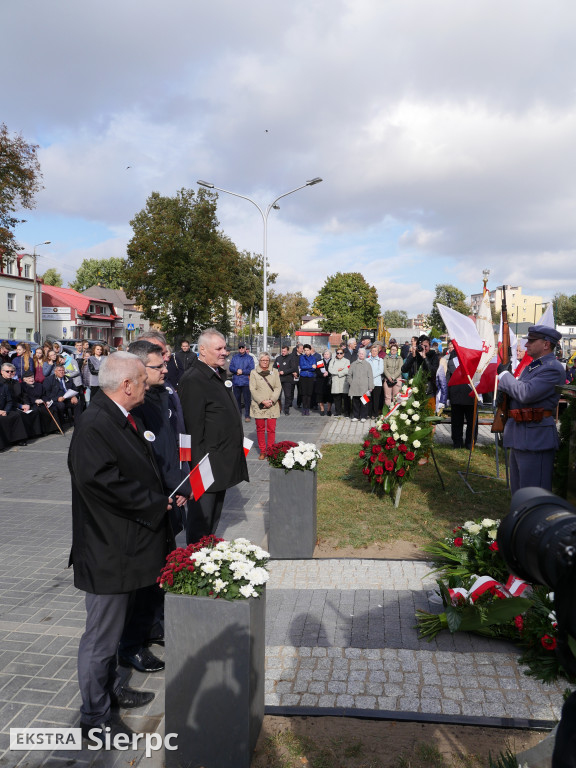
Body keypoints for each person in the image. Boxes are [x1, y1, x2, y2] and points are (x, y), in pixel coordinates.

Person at [68, 352, 174, 740]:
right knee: (99, 640)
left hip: (125, 546)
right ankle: (94, 717)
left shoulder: (117, 415)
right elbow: (101, 482)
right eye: (143, 383)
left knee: (110, 636)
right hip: (107, 551)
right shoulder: (95, 422)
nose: (147, 388)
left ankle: (111, 691)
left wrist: (163, 493)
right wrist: (153, 502)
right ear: (127, 385)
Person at [179, 328, 249, 543]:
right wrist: (195, 473)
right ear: (202, 350)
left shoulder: (215, 373)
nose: (224, 352)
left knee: (212, 521)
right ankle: (195, 563)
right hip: (204, 465)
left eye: (225, 348)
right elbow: (191, 429)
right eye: (218, 348)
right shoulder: (194, 379)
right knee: (201, 521)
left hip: (219, 462)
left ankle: (207, 556)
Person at [497, 324, 565, 494]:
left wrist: (505, 376)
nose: (526, 345)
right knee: (519, 494)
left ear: (546, 344)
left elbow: (526, 393)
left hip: (536, 439)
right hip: (520, 435)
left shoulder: (553, 368)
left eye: (532, 341)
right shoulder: (532, 367)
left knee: (534, 496)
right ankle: (520, 521)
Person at [249, 352, 281, 459]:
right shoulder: (254, 373)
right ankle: (263, 451)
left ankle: (270, 451)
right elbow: (252, 389)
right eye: (263, 360)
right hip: (259, 405)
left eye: (267, 360)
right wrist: (262, 401)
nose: (265, 362)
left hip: (272, 404)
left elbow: (278, 387)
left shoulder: (274, 371)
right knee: (260, 429)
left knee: (271, 429)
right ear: (259, 361)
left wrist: (271, 400)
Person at [447, 350, 477, 449]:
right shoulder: (452, 362)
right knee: (460, 422)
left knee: (466, 422)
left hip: (465, 395)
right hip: (462, 395)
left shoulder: (454, 362)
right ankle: (463, 443)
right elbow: (448, 379)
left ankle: (464, 442)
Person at [229, 342, 255, 422]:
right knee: (237, 400)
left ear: (245, 348)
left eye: (242, 347)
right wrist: (236, 370)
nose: (241, 349)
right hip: (236, 382)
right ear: (238, 349)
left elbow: (252, 369)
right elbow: (231, 367)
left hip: (246, 382)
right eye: (240, 348)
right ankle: (238, 415)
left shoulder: (250, 358)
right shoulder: (235, 357)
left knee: (247, 400)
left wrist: (242, 371)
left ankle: (247, 415)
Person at [347, 348, 374, 422]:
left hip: (364, 387)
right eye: (360, 353)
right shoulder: (353, 364)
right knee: (355, 402)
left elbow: (370, 376)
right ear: (358, 354)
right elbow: (349, 375)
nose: (361, 355)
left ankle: (363, 416)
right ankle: (356, 416)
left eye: (363, 354)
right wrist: (351, 383)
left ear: (365, 355)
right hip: (355, 386)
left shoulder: (368, 364)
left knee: (364, 402)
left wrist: (371, 386)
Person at [274, 344, 298, 415]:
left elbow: (293, 368)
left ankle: (286, 409)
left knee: (287, 395)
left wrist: (284, 372)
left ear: (288, 351)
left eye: (284, 351)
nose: (283, 352)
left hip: (288, 379)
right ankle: (279, 408)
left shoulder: (291, 358)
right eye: (282, 351)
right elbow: (274, 367)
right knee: (278, 395)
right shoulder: (278, 358)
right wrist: (276, 372)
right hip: (279, 380)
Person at [328, 348, 350, 417]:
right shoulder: (333, 361)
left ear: (343, 354)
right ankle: (338, 412)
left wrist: (338, 373)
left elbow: (347, 370)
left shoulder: (347, 361)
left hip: (344, 381)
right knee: (337, 398)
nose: (339, 354)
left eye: (341, 353)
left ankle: (347, 412)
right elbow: (330, 370)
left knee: (346, 398)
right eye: (338, 353)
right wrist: (338, 370)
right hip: (336, 381)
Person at [383, 342, 403, 409]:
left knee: (396, 397)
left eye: (394, 350)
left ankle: (395, 412)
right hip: (387, 379)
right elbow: (384, 368)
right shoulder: (386, 358)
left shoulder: (400, 358)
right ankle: (387, 411)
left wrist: (393, 377)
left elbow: (400, 369)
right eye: (392, 349)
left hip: (397, 379)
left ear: (397, 351)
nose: (393, 351)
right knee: (387, 396)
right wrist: (389, 377)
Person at [298, 344, 317, 415]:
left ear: (310, 350)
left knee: (309, 394)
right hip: (303, 376)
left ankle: (307, 408)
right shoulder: (302, 357)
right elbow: (302, 366)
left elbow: (314, 368)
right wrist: (310, 366)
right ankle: (304, 408)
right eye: (305, 350)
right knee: (304, 393)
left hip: (310, 377)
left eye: (307, 350)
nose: (306, 352)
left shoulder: (313, 358)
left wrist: (310, 367)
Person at [367, 344, 384, 417]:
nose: (374, 352)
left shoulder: (380, 360)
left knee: (376, 399)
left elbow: (380, 370)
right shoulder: (366, 360)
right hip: (368, 382)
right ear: (370, 351)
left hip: (377, 383)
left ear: (378, 352)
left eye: (375, 351)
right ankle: (368, 413)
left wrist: (371, 376)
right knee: (368, 399)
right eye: (373, 351)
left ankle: (375, 414)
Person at [315, 349, 333, 415]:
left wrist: (328, 373)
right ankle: (322, 410)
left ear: (330, 355)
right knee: (320, 396)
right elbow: (317, 371)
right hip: (321, 381)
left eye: (327, 354)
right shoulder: (320, 362)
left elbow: (334, 369)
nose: (326, 355)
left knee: (329, 396)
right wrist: (322, 374)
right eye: (325, 354)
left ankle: (329, 410)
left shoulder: (332, 361)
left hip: (329, 381)